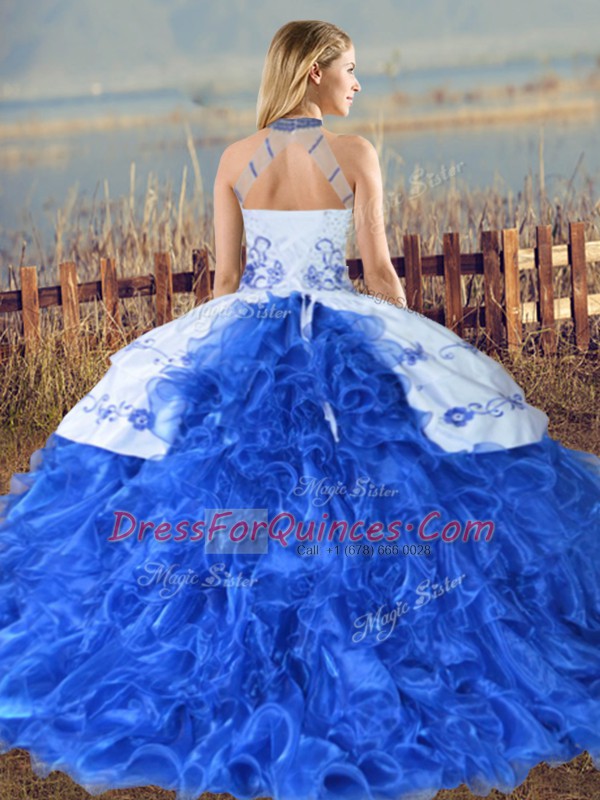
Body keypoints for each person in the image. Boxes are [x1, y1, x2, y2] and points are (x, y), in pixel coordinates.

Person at [1, 17, 599, 800]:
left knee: (231, 489)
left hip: (247, 335)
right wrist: (412, 350)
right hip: (338, 335)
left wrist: (205, 354)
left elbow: (225, 282)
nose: (358, 82)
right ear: (314, 70)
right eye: (349, 68)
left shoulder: (236, 158)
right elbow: (378, 272)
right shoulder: (353, 154)